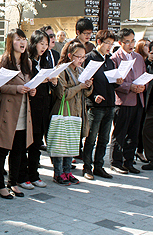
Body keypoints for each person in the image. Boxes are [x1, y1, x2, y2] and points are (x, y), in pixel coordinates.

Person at [0, 28, 35, 199]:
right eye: (18, 39)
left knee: (18, 150)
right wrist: (16, 88)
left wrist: (32, 90)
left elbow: (29, 83)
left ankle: (13, 182)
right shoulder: (3, 60)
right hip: (7, 112)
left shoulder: (28, 62)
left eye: (24, 39)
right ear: (10, 42)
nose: (22, 42)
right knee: (2, 150)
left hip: (24, 111)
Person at [50, 41, 93, 185]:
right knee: (60, 143)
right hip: (64, 111)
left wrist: (88, 86)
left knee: (72, 143)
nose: (81, 60)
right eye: (78, 56)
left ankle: (68, 171)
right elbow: (62, 94)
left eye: (83, 57)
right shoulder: (61, 70)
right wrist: (80, 86)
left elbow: (86, 94)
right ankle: (58, 173)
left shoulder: (81, 70)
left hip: (77, 111)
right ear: (69, 56)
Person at [82, 30, 123, 180]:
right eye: (107, 43)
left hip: (110, 103)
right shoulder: (89, 58)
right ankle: (87, 167)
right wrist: (93, 96)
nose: (109, 47)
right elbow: (84, 83)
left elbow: (112, 84)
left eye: (112, 44)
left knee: (104, 138)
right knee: (91, 138)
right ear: (99, 42)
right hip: (95, 105)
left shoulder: (110, 60)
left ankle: (99, 166)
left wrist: (118, 82)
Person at [18, 30, 55, 190]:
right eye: (41, 44)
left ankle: (34, 174)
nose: (44, 48)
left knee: (37, 142)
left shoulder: (45, 61)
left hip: (43, 106)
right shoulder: (27, 61)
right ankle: (22, 175)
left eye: (46, 45)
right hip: (29, 106)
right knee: (25, 142)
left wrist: (52, 81)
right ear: (33, 43)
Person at [110, 28, 146, 174]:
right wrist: (129, 86)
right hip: (123, 101)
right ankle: (116, 162)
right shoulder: (115, 59)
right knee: (120, 132)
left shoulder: (138, 57)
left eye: (133, 41)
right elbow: (114, 82)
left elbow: (144, 75)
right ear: (120, 42)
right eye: (127, 41)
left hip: (138, 99)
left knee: (133, 133)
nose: (131, 44)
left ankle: (129, 161)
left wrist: (143, 86)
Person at [135, 38, 151, 163]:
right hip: (139, 97)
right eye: (145, 45)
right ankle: (138, 151)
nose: (148, 48)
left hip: (148, 99)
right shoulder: (138, 60)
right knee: (140, 126)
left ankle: (140, 151)